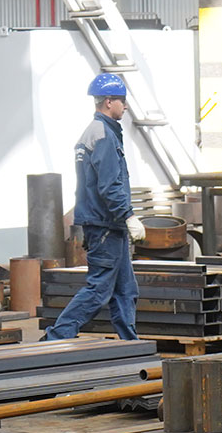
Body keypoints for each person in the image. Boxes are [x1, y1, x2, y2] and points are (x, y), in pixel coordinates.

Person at [43, 74, 145, 341]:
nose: (125, 106)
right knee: (99, 289)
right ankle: (57, 337)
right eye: (122, 100)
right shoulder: (103, 135)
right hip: (104, 225)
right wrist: (129, 216)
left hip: (108, 225)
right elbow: (109, 185)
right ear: (109, 101)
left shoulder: (98, 132)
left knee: (125, 289)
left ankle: (130, 344)